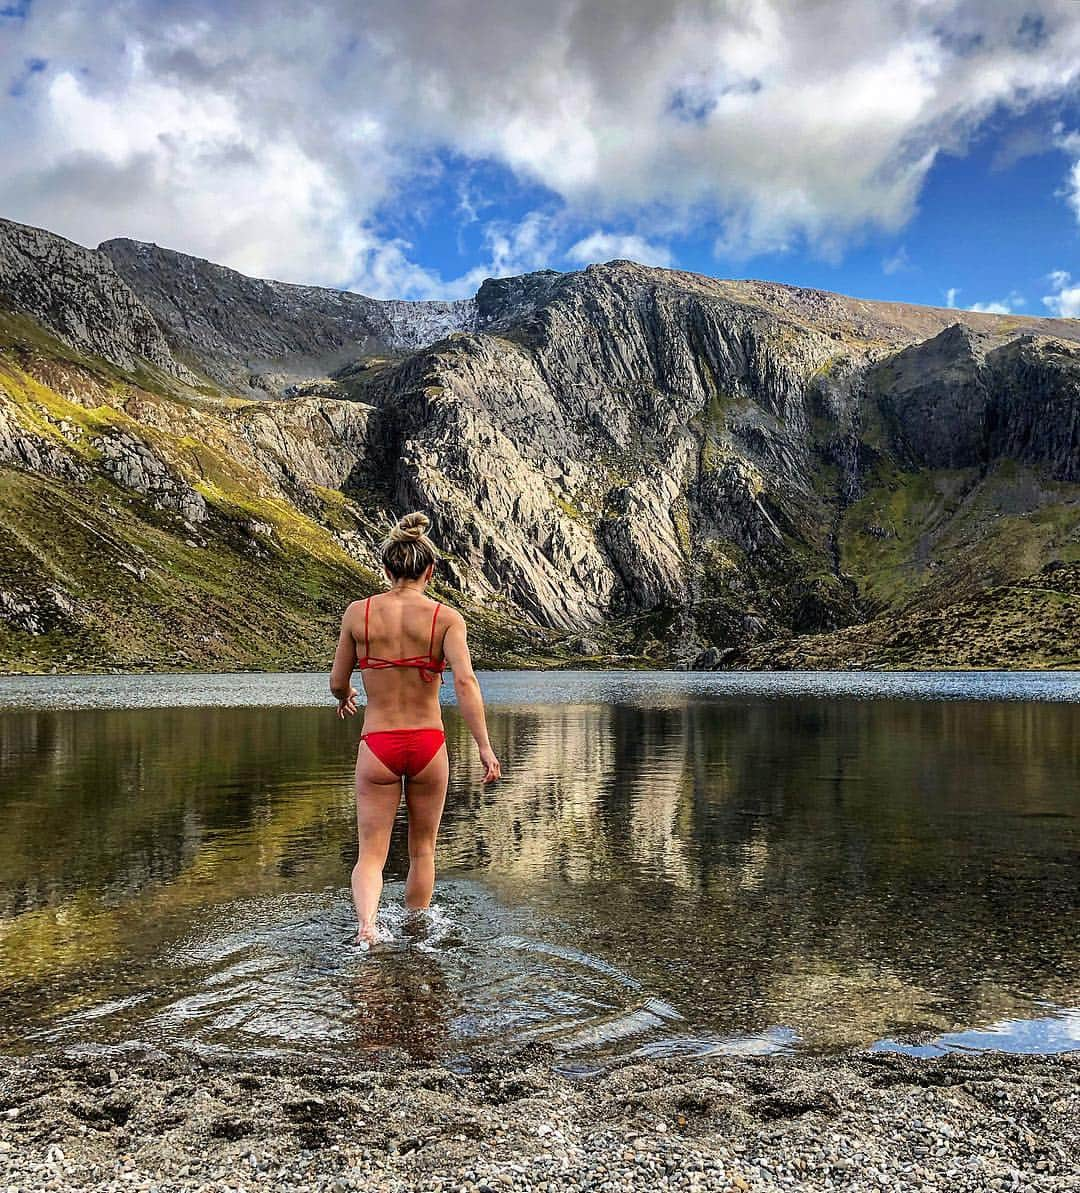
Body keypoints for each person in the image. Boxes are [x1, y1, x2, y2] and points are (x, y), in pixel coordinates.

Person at [329, 511, 501, 947]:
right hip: (428, 744)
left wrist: (346, 694)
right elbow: (465, 682)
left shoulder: (358, 613)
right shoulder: (446, 618)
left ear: (386, 569)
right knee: (422, 849)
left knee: (370, 853)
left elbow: (336, 681)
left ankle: (367, 928)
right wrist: (483, 747)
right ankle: (418, 933)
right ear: (430, 570)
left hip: (378, 744)